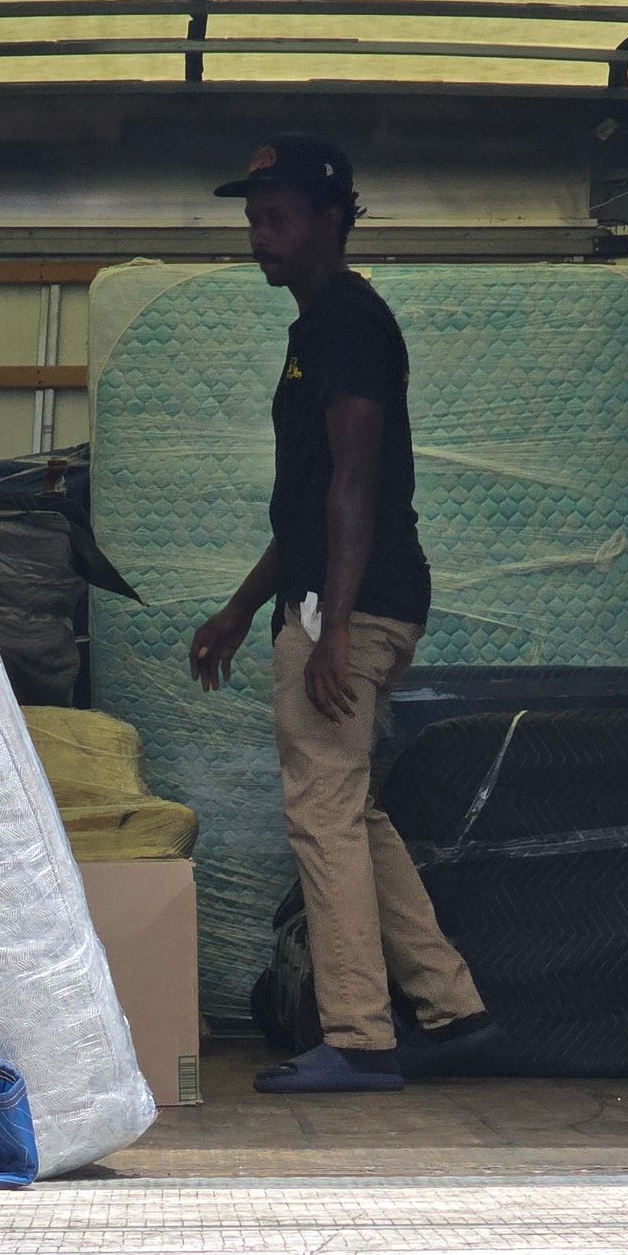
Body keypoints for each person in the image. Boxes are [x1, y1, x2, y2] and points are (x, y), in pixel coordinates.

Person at [189, 135, 502, 1092]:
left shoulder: (348, 323)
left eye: (278, 218)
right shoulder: (317, 328)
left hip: (350, 607)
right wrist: (245, 607)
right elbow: (316, 497)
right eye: (252, 219)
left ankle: (361, 1035)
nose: (260, 236)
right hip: (343, 597)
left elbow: (356, 485)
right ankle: (453, 1008)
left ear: (332, 219)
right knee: (353, 809)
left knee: (321, 812)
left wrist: (329, 627)